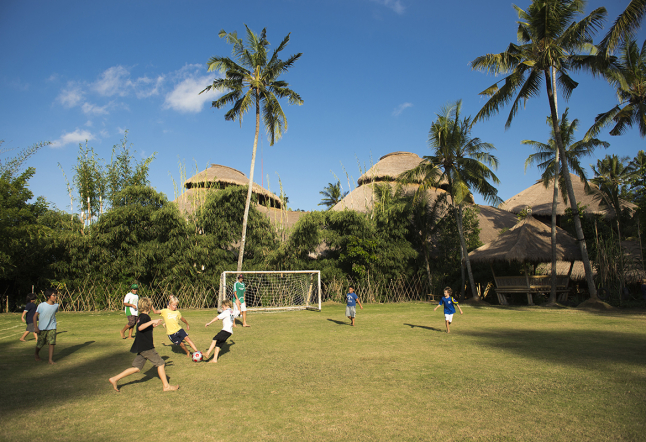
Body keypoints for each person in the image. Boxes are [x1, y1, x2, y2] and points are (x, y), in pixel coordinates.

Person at [109, 297, 179, 392]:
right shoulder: (145, 317)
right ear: (148, 307)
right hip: (146, 347)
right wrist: (152, 321)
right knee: (161, 363)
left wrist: (153, 325)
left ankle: (114, 379)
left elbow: (144, 327)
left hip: (141, 347)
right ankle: (166, 386)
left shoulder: (141, 316)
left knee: (137, 368)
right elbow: (140, 328)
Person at [204, 299, 237, 364]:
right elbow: (237, 313)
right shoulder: (232, 312)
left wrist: (209, 323)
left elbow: (217, 318)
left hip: (225, 330)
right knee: (218, 345)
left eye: (223, 307)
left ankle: (207, 353)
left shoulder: (226, 312)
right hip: (229, 332)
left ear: (227, 306)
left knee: (214, 339)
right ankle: (214, 359)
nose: (222, 308)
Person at [34, 288, 59, 364]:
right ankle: (36, 353)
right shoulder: (41, 305)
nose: (55, 297)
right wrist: (36, 327)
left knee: (52, 342)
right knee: (40, 344)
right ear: (48, 296)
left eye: (56, 295)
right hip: (42, 328)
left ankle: (50, 360)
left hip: (52, 327)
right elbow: (34, 316)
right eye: (53, 295)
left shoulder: (56, 306)